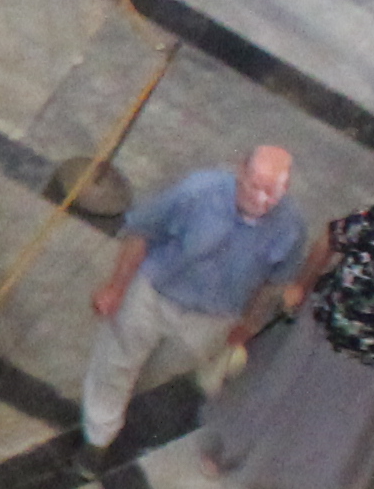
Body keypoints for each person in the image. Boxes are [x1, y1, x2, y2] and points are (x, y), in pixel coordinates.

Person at [200, 181, 374, 489]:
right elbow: (329, 240)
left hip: (372, 366)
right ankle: (231, 450)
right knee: (274, 394)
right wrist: (301, 285)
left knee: (325, 427)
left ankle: (283, 476)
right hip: (319, 333)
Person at [77, 144, 308, 452]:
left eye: (273, 192)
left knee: (157, 370)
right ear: (241, 170)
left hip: (212, 319)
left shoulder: (290, 228)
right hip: (154, 293)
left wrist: (249, 323)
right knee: (117, 363)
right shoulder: (197, 192)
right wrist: (116, 288)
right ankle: (97, 439)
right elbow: (142, 232)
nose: (263, 200)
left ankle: (117, 406)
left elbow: (271, 284)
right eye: (256, 187)